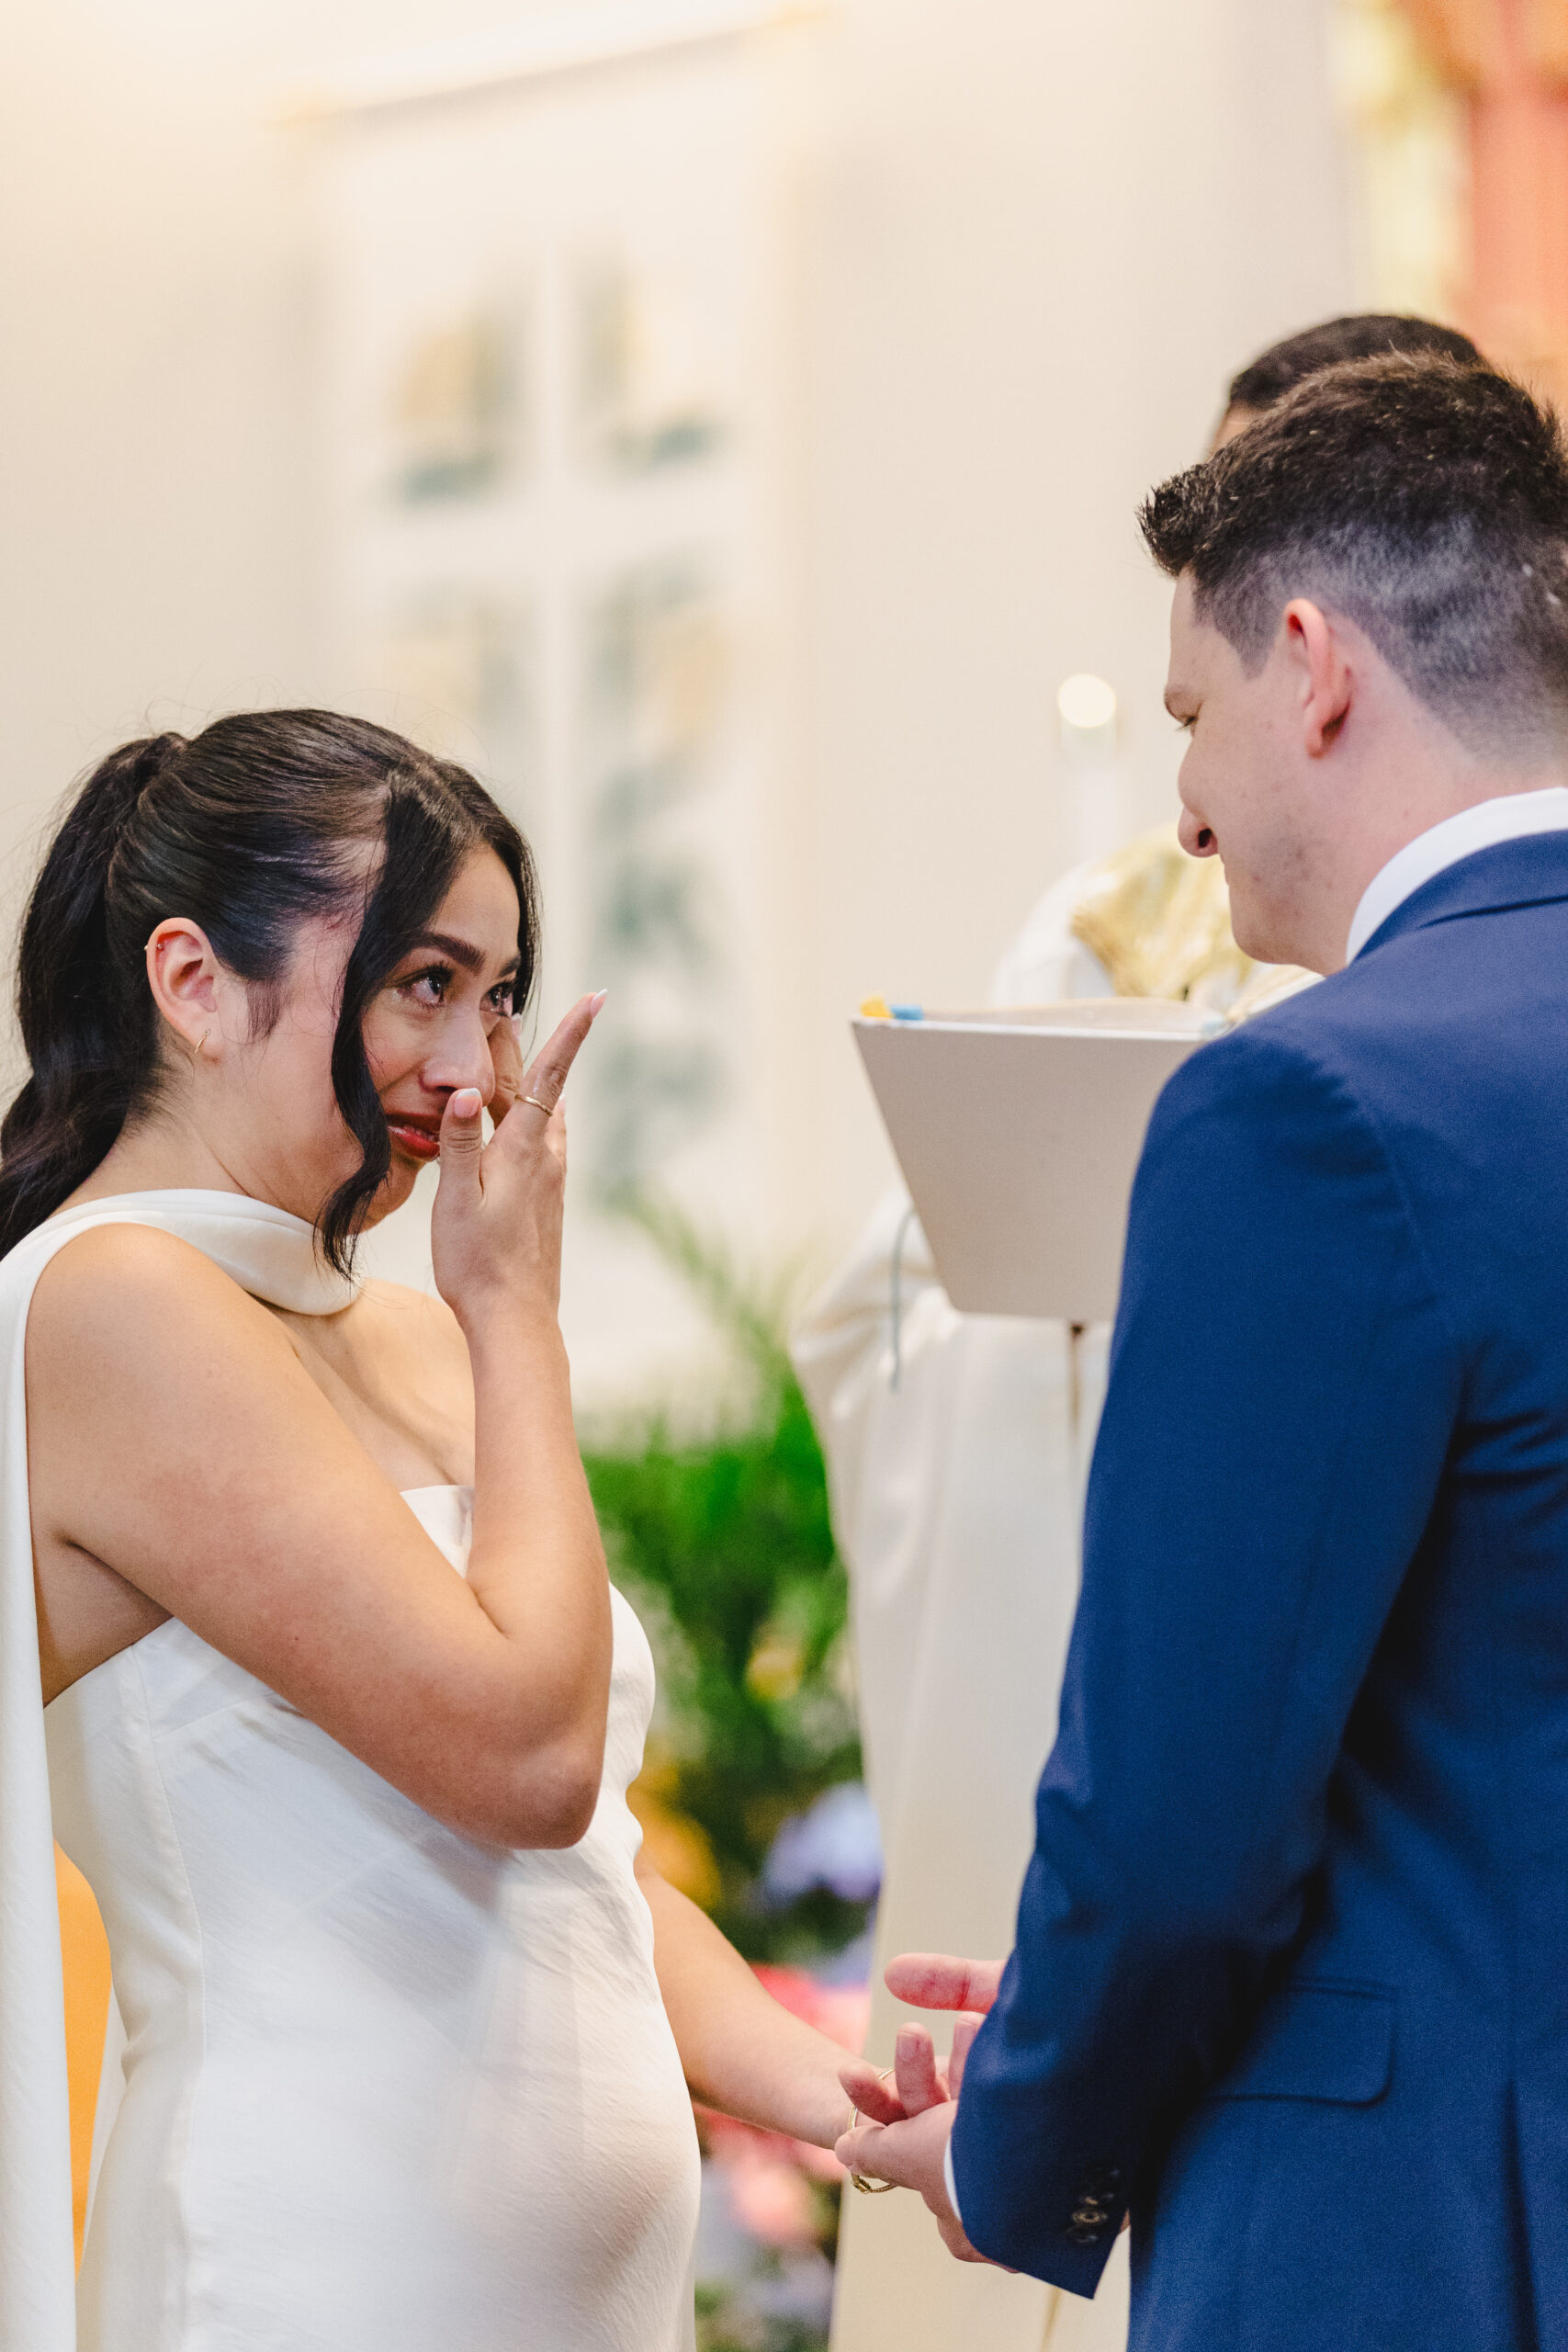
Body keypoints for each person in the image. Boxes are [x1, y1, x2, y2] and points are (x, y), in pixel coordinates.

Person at [837, 351, 1568, 2347]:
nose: (1176, 801)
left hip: (1427, 2232)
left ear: (1313, 666)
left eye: (1193, 711)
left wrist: (1023, 2125)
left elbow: (1178, 1827)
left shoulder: (1309, 1105)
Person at [2, 711, 860, 2352]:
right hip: (315, 2269)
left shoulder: (397, 1335)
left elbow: (580, 1856)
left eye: (502, 993)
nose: (478, 1070)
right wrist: (514, 1314)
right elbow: (521, 1762)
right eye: (422, 984)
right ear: (191, 982)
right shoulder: (110, 1307)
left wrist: (847, 2098)